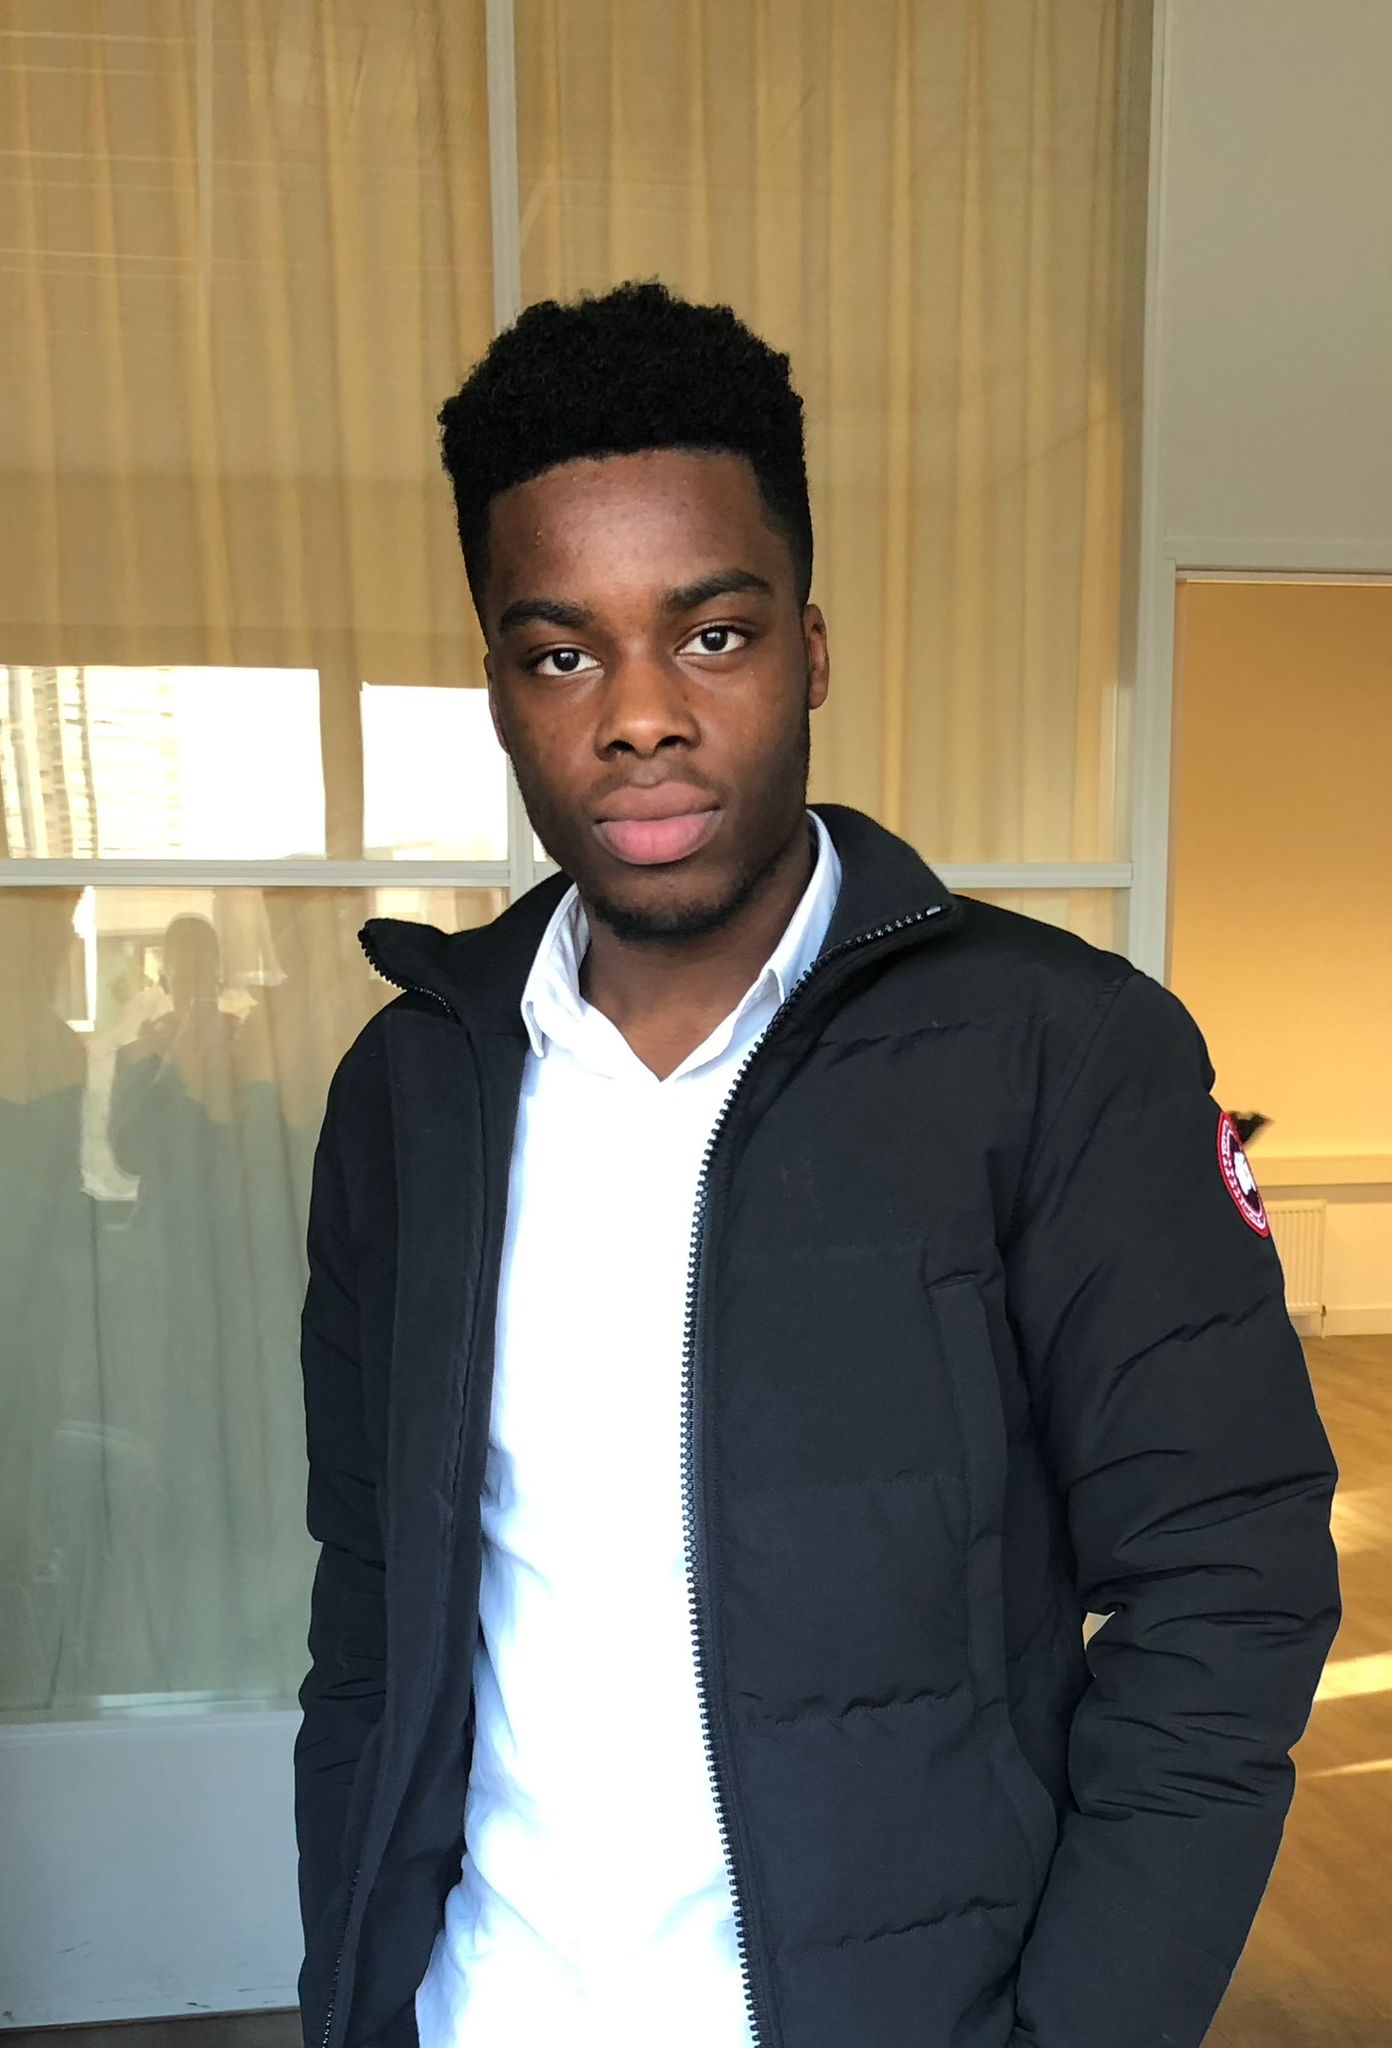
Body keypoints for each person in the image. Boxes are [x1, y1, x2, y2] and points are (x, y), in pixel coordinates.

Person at [294, 283, 1339, 2048]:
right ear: (499, 692)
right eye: (563, 653)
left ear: (813, 651)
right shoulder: (413, 1092)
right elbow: (374, 1604)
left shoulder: (1065, 1054)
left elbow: (1227, 1591)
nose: (640, 715)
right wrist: (355, 1986)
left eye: (711, 633)